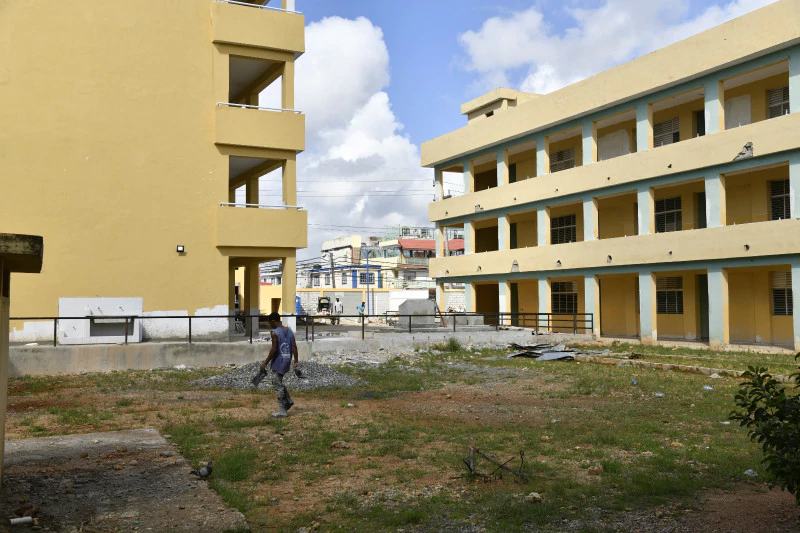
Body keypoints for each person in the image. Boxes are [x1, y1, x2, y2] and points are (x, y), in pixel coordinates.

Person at [260, 312, 299, 418]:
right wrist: (296, 361)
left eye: (270, 323)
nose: (270, 325)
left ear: (273, 321)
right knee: (278, 381)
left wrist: (265, 363)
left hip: (279, 361)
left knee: (277, 384)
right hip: (287, 360)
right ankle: (288, 401)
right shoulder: (289, 331)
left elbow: (274, 349)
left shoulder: (274, 332)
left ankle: (283, 410)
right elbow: (294, 346)